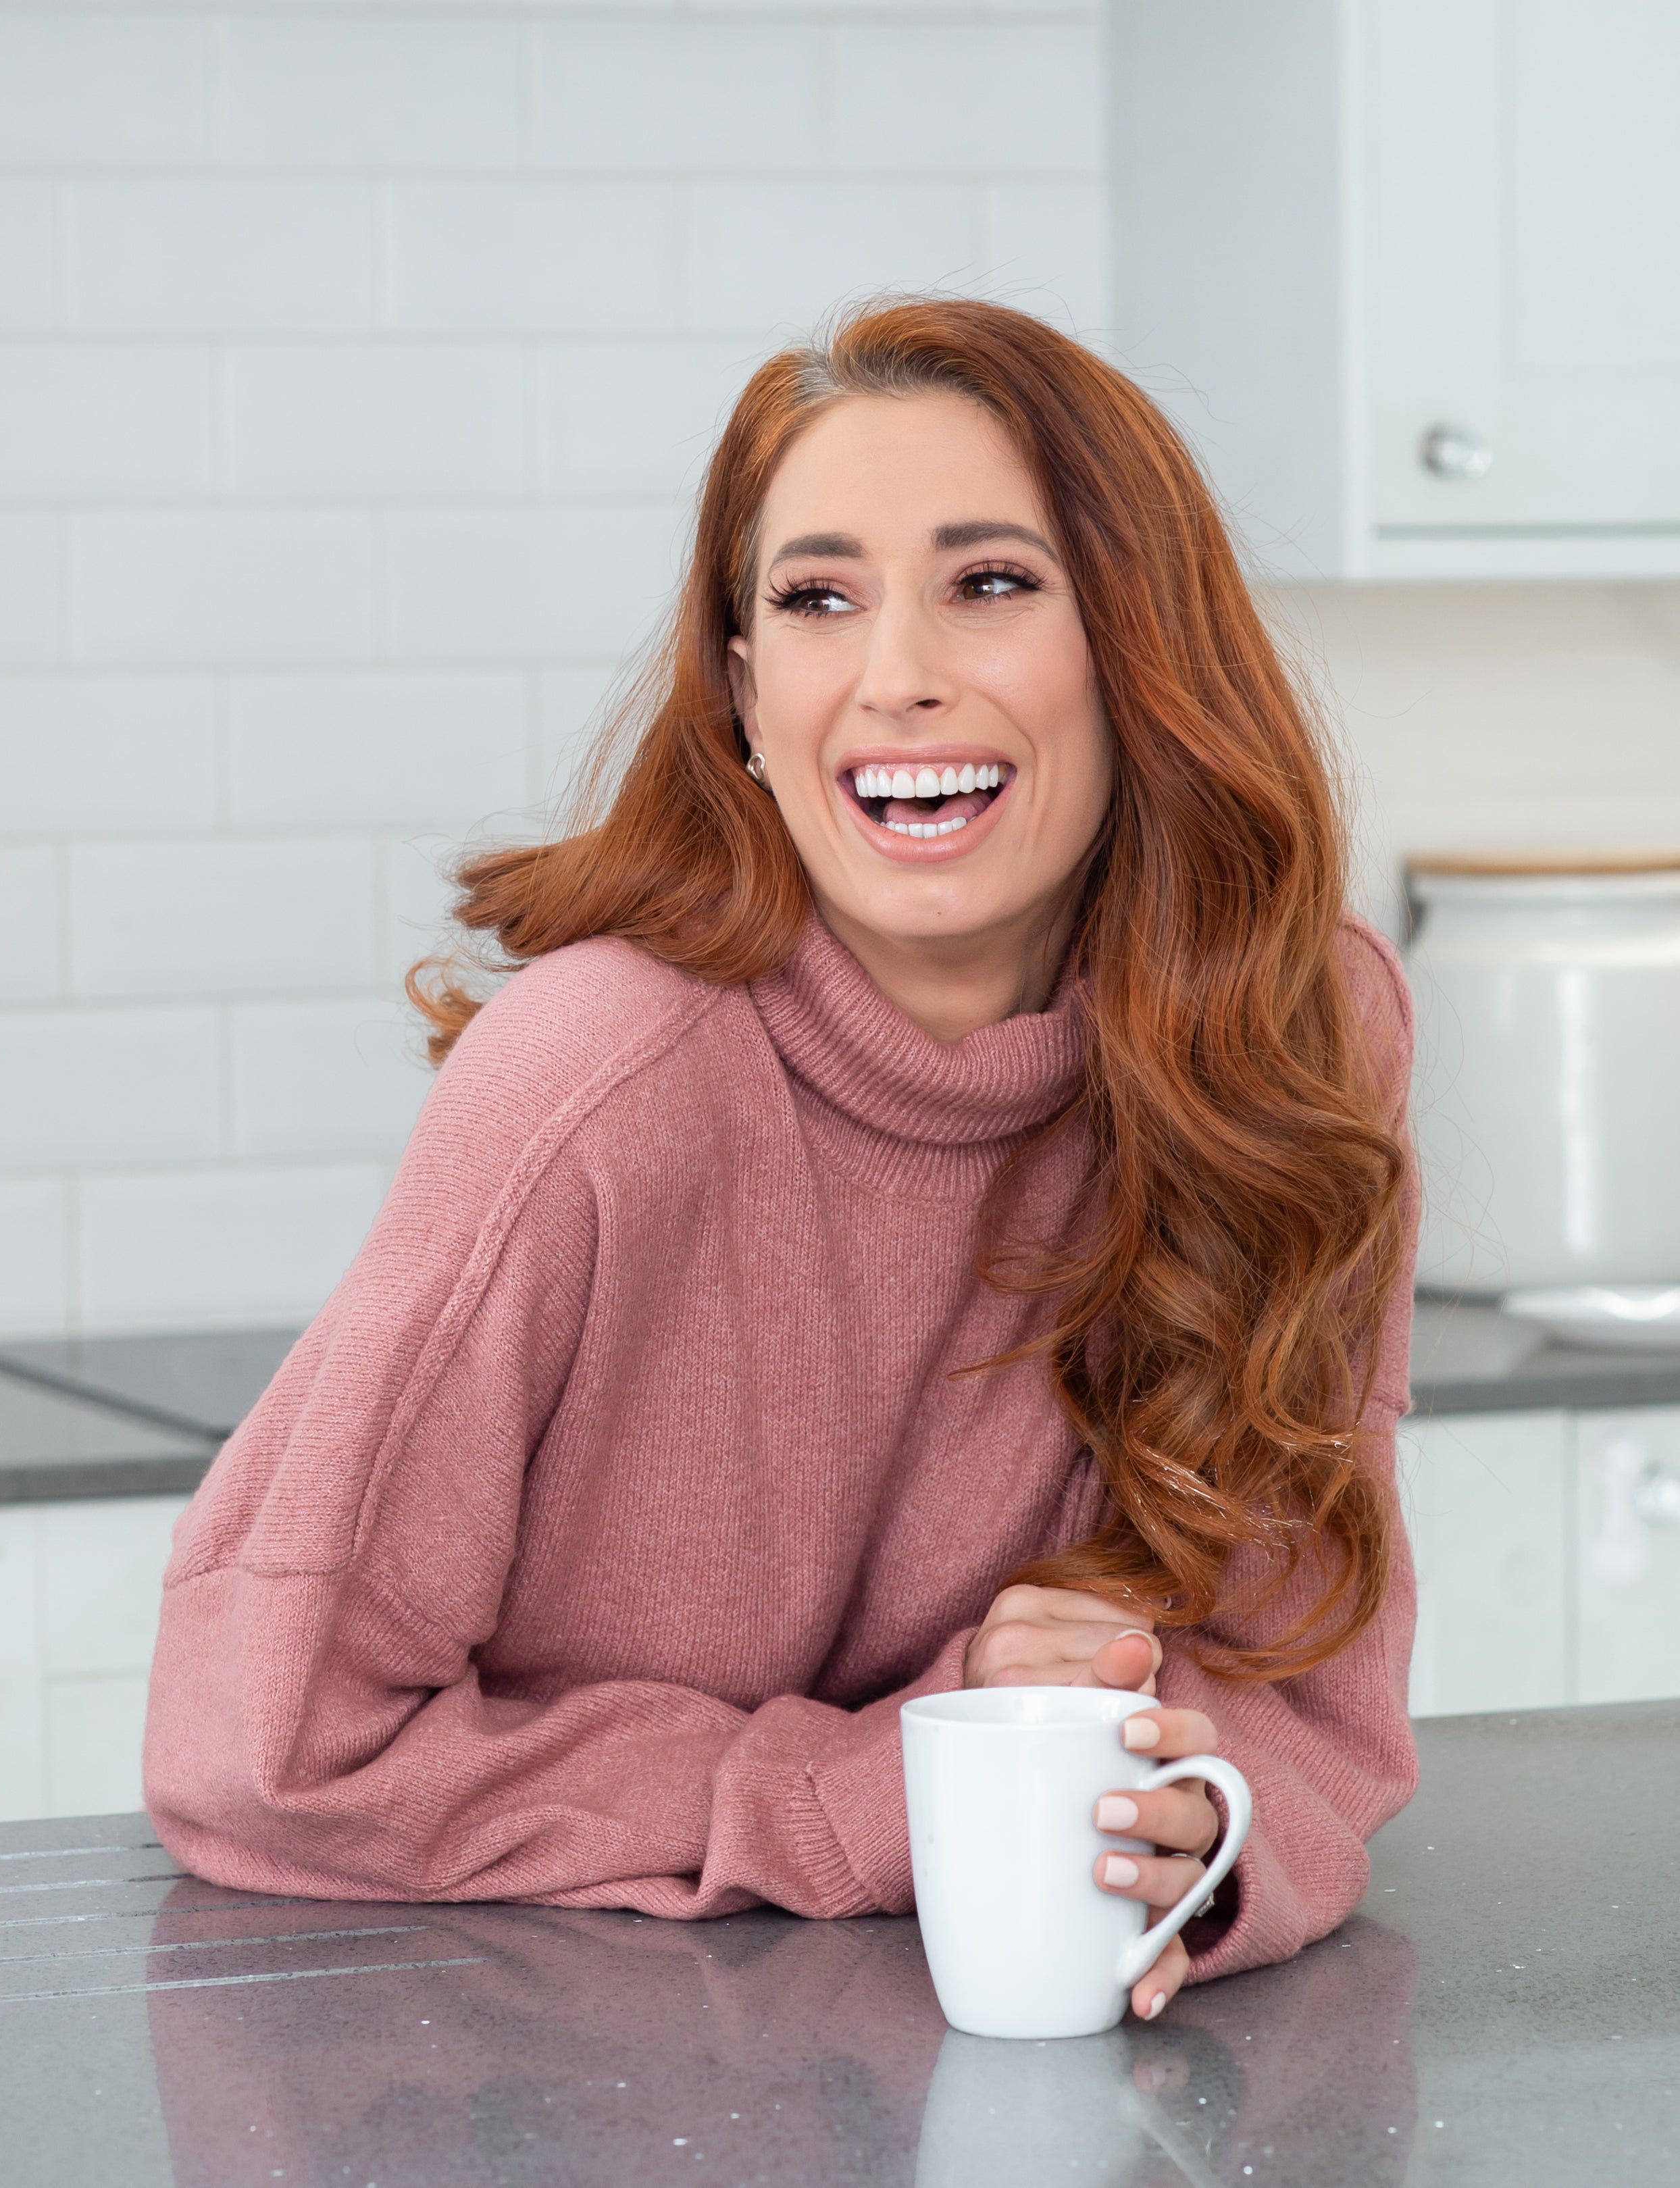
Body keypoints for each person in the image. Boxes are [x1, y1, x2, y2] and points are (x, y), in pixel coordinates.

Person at [144, 298, 1418, 2027]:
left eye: (990, 583)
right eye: (817, 600)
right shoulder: (596, 1079)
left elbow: (1308, 1701)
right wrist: (889, 1786)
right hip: (521, 2044)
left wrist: (1180, 1819)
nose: (897, 673)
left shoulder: (1291, 1033)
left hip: (994, 2040)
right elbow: (258, 1739)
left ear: (1141, 650)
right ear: (744, 694)